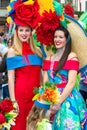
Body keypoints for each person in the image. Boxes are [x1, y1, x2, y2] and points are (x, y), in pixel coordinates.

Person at [6, 1, 43, 130]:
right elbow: (10, 78)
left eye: (27, 30)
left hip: (36, 97)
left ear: (31, 32)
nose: (24, 33)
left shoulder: (38, 51)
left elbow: (42, 75)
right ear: (16, 32)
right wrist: (13, 101)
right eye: (21, 30)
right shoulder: (12, 52)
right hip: (20, 97)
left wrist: (43, 94)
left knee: (35, 126)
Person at [42, 26, 87, 130]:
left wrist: (58, 102)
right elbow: (45, 82)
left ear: (67, 39)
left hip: (68, 98)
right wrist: (48, 101)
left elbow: (71, 83)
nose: (57, 39)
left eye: (61, 37)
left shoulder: (72, 56)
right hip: (50, 97)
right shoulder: (49, 58)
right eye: (55, 37)